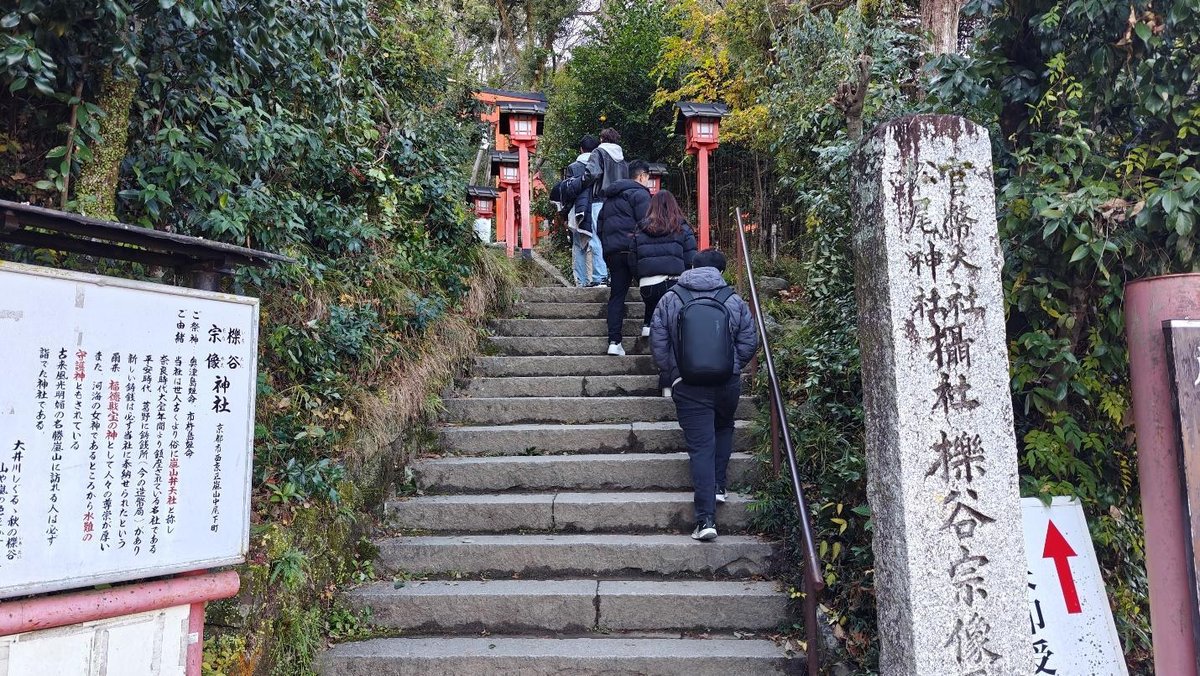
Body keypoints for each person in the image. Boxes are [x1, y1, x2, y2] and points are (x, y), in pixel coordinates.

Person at [649, 249, 758, 541]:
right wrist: (732, 367)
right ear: (721, 271)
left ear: (692, 267)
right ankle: (719, 487)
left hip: (689, 385)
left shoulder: (672, 298)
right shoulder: (732, 299)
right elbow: (749, 340)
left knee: (700, 448)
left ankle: (706, 519)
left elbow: (658, 343)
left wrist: (675, 373)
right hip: (727, 383)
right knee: (723, 427)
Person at [597, 159, 652, 355]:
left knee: (617, 295)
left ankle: (614, 342)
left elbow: (599, 226)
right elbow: (647, 223)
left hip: (613, 252)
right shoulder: (640, 194)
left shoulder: (610, 198)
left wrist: (608, 246)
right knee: (650, 286)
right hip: (634, 250)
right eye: (647, 178)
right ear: (641, 176)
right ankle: (648, 325)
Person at [632, 189, 696, 340]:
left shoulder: (640, 229)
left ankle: (648, 325)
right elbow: (690, 258)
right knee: (674, 319)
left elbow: (633, 259)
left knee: (652, 305)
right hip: (674, 281)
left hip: (647, 284)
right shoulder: (683, 228)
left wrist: (640, 277)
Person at [583, 127, 629, 286]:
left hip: (599, 200)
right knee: (615, 240)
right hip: (619, 203)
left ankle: (599, 276)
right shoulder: (622, 158)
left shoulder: (598, 152)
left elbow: (592, 174)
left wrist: (581, 182)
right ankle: (615, 276)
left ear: (602, 139)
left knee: (596, 238)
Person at [565, 135, 604, 286]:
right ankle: (600, 277)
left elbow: (568, 192)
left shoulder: (573, 167)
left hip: (578, 209)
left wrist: (565, 214)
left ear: (581, 149)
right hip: (598, 205)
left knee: (578, 244)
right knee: (597, 241)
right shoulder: (601, 165)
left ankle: (581, 282)